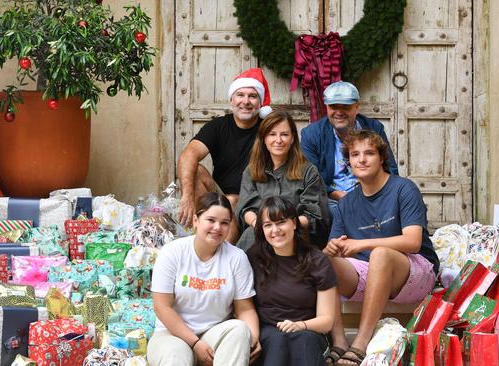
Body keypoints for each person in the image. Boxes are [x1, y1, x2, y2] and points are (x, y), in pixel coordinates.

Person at [322, 130, 439, 366]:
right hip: (369, 271)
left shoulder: (403, 189)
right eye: (355, 155)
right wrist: (332, 249)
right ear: (349, 162)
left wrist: (363, 243)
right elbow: (338, 249)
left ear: (381, 158)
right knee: (324, 261)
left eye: (369, 153)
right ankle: (339, 341)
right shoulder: (347, 203)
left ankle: (360, 344)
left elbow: (413, 241)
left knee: (381, 254)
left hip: (415, 272)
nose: (362, 159)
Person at [148, 192, 261, 366]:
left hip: (214, 334)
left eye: (224, 223)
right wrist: (195, 343)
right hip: (172, 334)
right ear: (195, 220)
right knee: (175, 356)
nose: (217, 227)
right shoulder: (172, 253)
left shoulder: (236, 258)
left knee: (239, 329)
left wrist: (252, 338)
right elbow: (162, 307)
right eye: (211, 220)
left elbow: (245, 309)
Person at [177, 68, 273, 243]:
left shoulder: (269, 129)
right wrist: (187, 196)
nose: (246, 101)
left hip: (257, 200)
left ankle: (218, 256)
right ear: (231, 100)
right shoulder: (218, 126)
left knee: (233, 201)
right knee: (196, 170)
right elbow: (188, 155)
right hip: (220, 197)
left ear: (260, 102)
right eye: (240, 95)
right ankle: (200, 232)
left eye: (252, 96)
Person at [247, 196, 337, 366]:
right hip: (268, 330)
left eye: (281, 222)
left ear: (294, 223)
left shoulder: (318, 261)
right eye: (268, 225)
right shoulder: (254, 257)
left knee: (303, 340)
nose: (275, 230)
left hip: (310, 331)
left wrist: (301, 325)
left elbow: (326, 321)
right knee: (277, 341)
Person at [235, 110, 330, 249]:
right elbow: (246, 209)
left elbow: (315, 215)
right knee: (250, 235)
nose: (278, 140)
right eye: (272, 134)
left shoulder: (308, 171)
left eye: (284, 134)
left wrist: (285, 225)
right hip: (261, 231)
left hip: (297, 233)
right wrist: (262, 226)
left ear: (292, 138)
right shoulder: (252, 170)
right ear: (263, 139)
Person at [300, 81, 398, 216]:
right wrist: (337, 195)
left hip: (371, 192)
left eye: (345, 106)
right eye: (334, 106)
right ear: (327, 107)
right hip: (331, 199)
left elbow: (390, 168)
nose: (339, 112)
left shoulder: (374, 128)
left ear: (356, 107)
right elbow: (310, 178)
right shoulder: (311, 134)